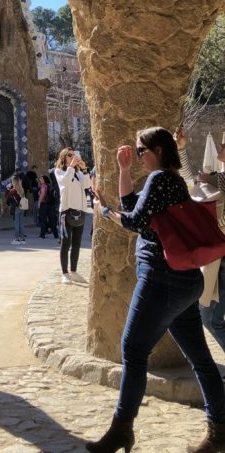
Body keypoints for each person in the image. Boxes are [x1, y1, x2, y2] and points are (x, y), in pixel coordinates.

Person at [89, 128, 225, 453]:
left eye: (140, 151)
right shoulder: (170, 180)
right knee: (201, 359)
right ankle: (220, 430)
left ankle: (122, 429)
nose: (137, 156)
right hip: (183, 279)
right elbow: (133, 205)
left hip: (162, 279)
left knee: (133, 350)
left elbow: (134, 222)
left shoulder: (161, 179)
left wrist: (104, 212)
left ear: (159, 149)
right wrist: (123, 172)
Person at [176, 129, 225, 356]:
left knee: (210, 318)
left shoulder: (219, 178)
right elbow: (189, 177)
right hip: (218, 262)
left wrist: (214, 178)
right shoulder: (217, 176)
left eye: (224, 146)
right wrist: (182, 149)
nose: (221, 150)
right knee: (208, 316)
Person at [54, 147, 91, 283]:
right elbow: (65, 182)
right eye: (70, 155)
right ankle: (65, 273)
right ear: (64, 158)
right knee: (66, 243)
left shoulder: (78, 173)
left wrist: (84, 169)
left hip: (79, 211)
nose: (73, 157)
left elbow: (87, 185)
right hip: (66, 212)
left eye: (74, 155)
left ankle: (73, 271)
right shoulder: (59, 172)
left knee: (76, 244)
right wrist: (71, 166)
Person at [6, 173, 26, 244]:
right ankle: (23, 239)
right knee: (21, 223)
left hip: (16, 208)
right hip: (22, 208)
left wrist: (8, 190)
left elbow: (8, 201)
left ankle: (17, 239)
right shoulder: (22, 189)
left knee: (16, 223)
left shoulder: (13, 190)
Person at [38, 172, 59, 239]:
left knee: (43, 220)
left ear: (44, 179)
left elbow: (42, 194)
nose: (40, 179)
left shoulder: (43, 186)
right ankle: (56, 235)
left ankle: (42, 235)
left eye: (41, 178)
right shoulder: (49, 185)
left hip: (44, 204)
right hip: (51, 204)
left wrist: (39, 203)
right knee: (52, 220)